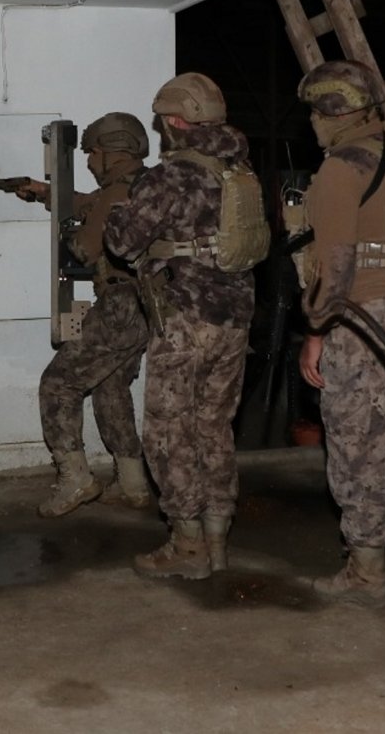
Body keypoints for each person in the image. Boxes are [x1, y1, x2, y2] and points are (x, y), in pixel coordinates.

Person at [105, 72, 260, 580]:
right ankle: (217, 537)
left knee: (169, 432)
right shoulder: (241, 170)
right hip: (235, 317)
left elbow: (123, 243)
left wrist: (119, 209)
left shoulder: (170, 177)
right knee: (214, 426)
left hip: (185, 319)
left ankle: (187, 544)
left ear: (175, 122)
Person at [294, 60, 385, 608]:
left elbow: (335, 263)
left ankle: (366, 569)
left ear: (329, 111)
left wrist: (316, 332)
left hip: (362, 319)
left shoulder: (341, 166)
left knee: (357, 445)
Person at [17, 113, 154, 516]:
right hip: (145, 306)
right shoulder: (143, 184)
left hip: (119, 306)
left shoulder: (115, 193)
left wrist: (72, 233)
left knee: (58, 384)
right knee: (111, 389)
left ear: (113, 152)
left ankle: (75, 478)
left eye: (93, 152)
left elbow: (85, 250)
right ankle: (132, 482)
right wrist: (46, 192)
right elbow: (88, 202)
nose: (90, 160)